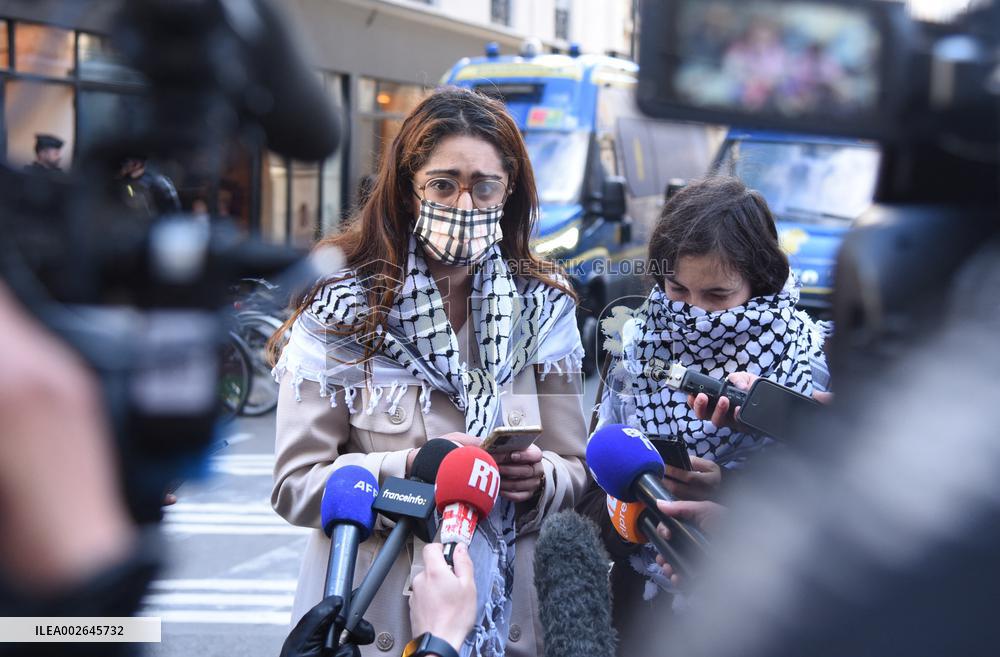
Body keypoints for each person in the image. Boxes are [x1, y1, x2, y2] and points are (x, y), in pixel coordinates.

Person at [270, 87, 589, 657]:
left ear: (509, 192)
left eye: (483, 186)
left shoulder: (544, 307)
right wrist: (413, 469)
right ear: (408, 191)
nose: (464, 205)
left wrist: (541, 481)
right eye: (443, 185)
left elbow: (577, 468)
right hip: (377, 621)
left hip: (509, 621)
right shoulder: (344, 306)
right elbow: (296, 486)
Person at [579, 176, 832, 654]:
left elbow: (835, 510)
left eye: (717, 296)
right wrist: (646, 513)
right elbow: (591, 496)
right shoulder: (634, 352)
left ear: (759, 284)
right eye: (677, 289)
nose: (694, 313)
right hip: (642, 619)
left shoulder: (809, 366)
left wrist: (727, 491)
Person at [115, 156, 181, 217]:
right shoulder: (127, 185)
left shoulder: (159, 181)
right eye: (126, 165)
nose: (129, 168)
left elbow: (172, 205)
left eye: (134, 164)